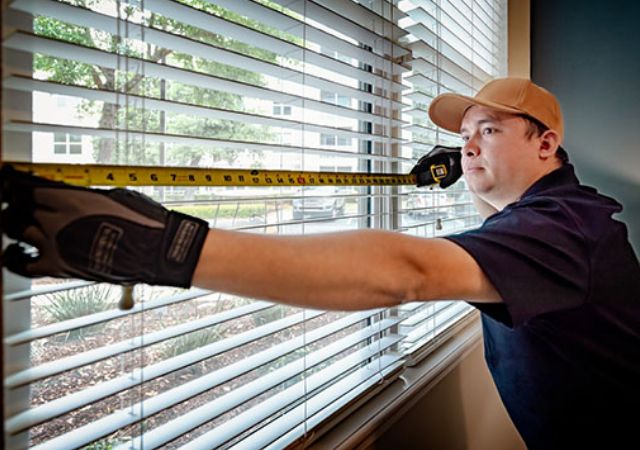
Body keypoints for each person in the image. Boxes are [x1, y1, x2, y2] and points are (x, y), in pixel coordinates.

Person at [2, 78, 639, 449]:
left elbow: (409, 272)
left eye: (490, 131)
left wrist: (170, 248)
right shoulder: (551, 217)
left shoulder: (563, 228)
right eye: (462, 135)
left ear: (547, 143)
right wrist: (476, 166)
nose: (466, 146)